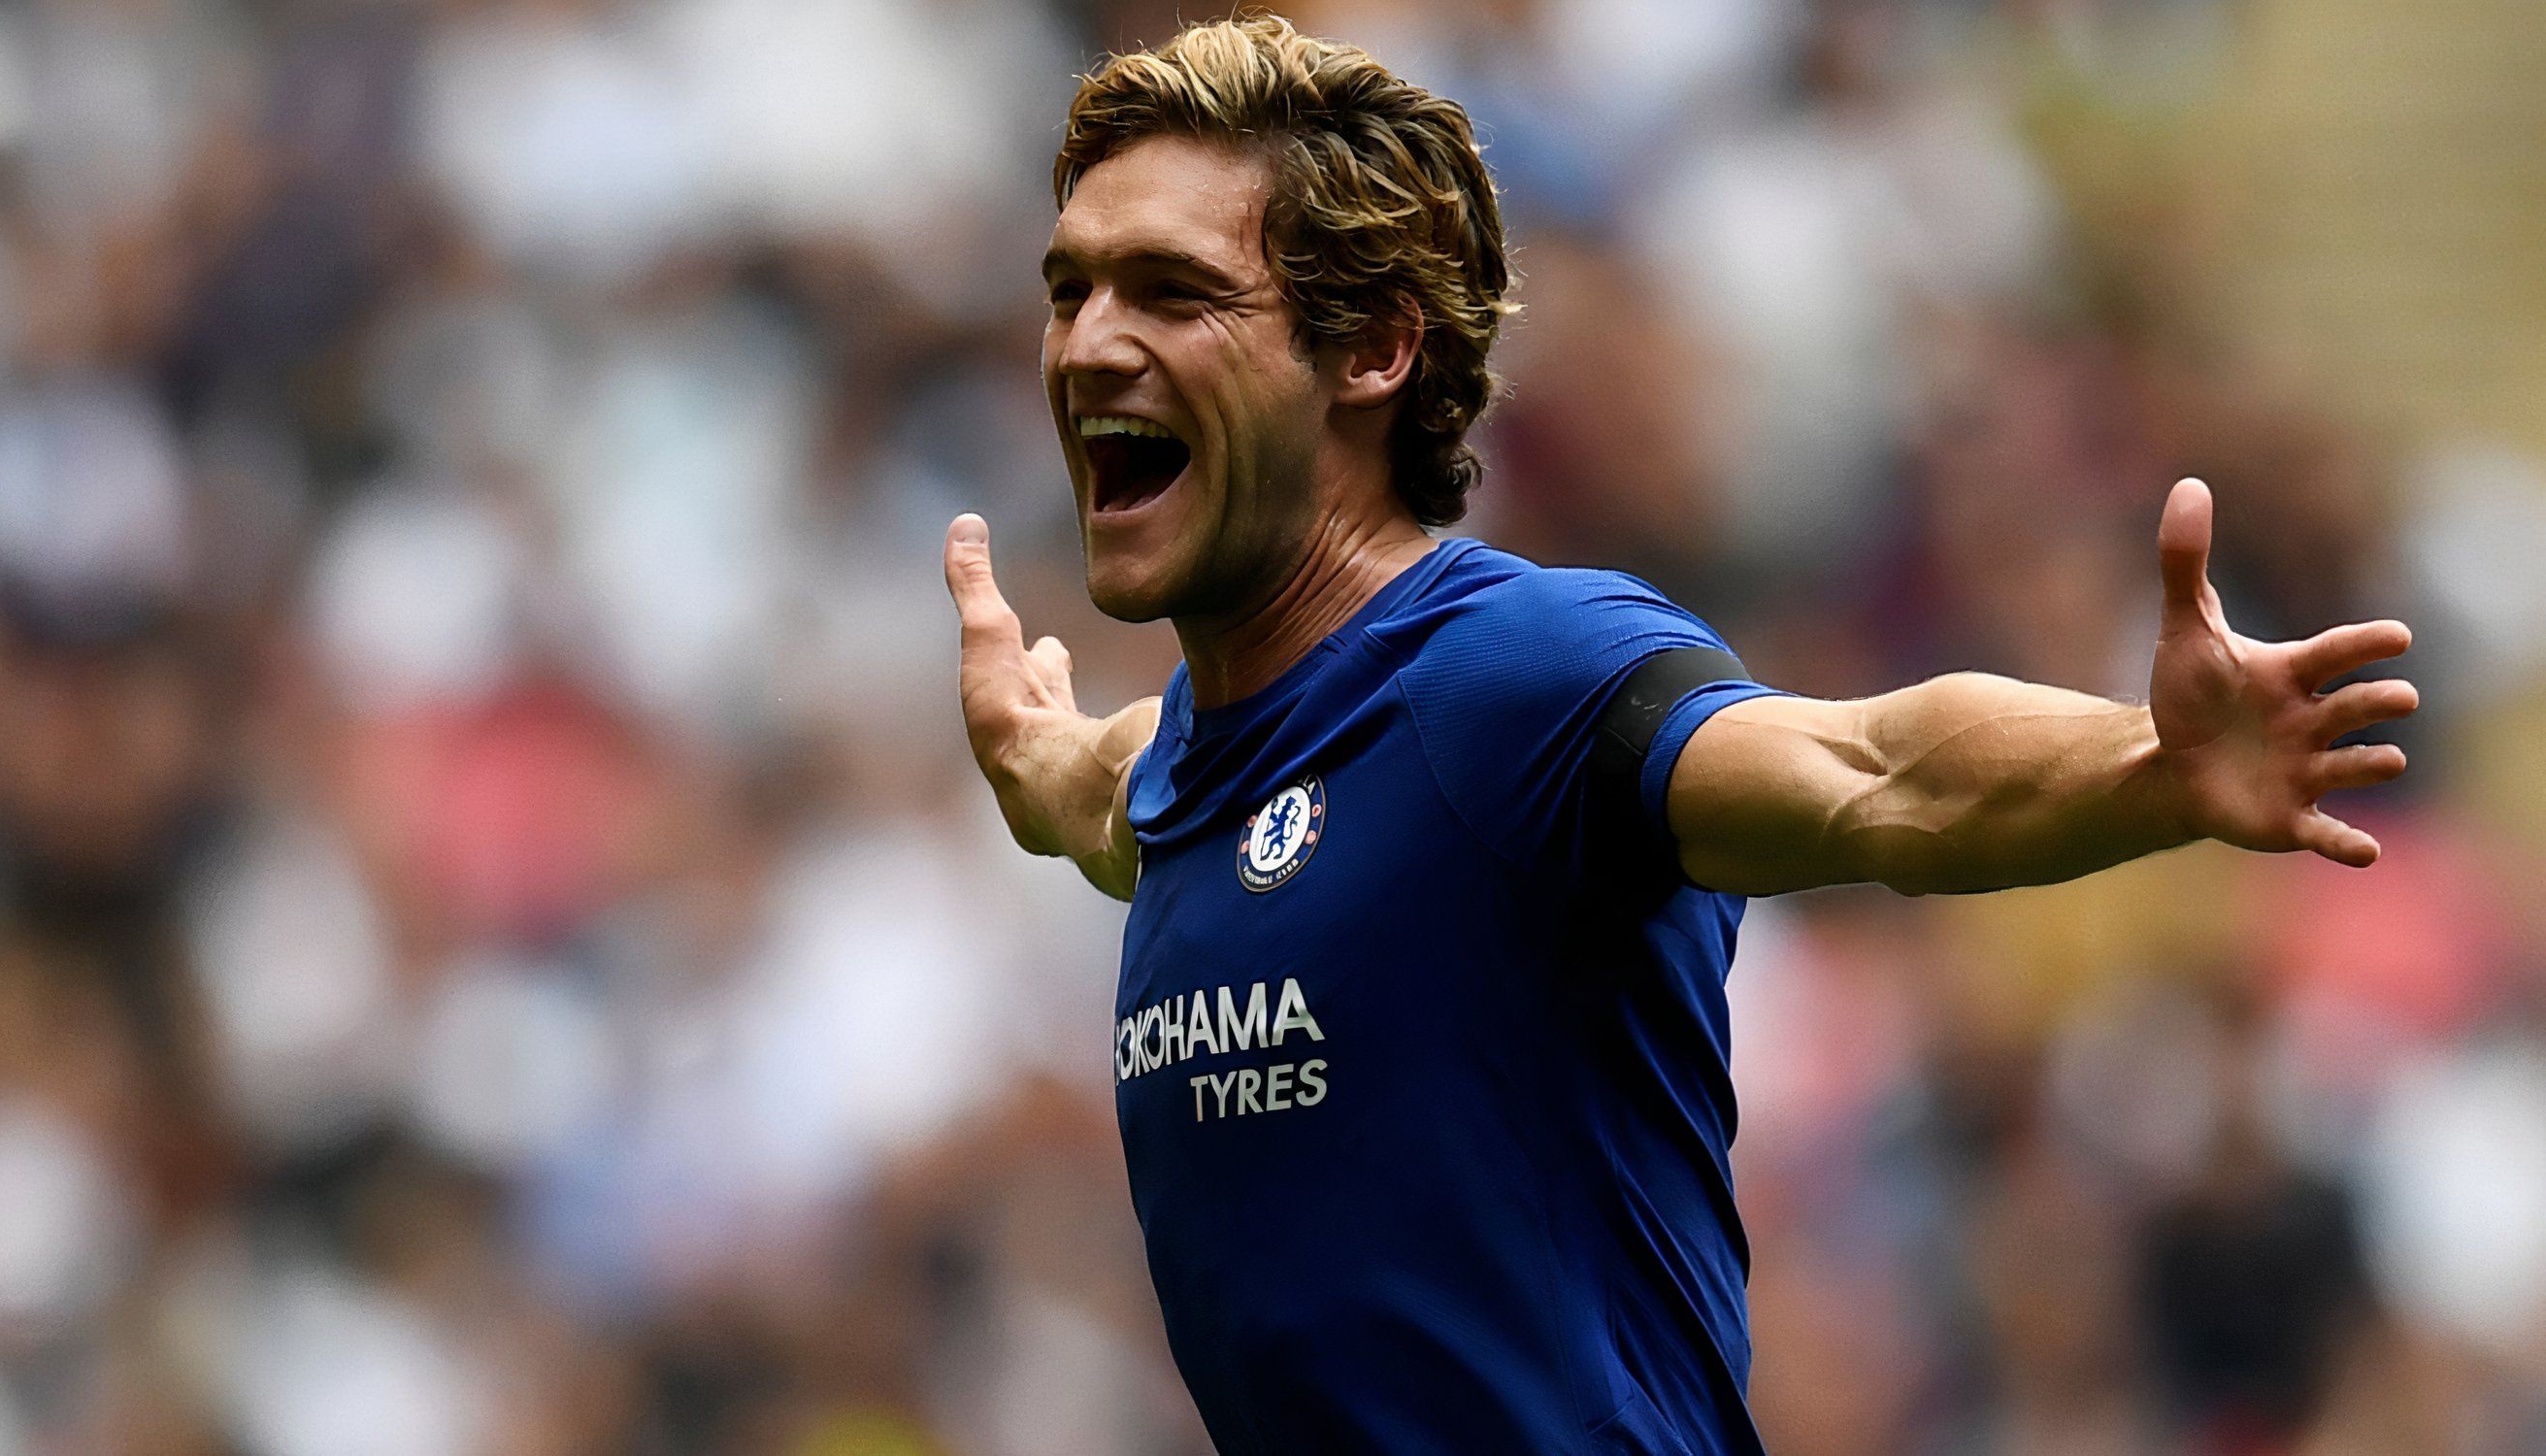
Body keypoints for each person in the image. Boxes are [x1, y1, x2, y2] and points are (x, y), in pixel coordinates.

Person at [942, 17, 2417, 1454]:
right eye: (1070, 291)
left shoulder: (1508, 677)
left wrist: (2146, 769)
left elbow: (1872, 773)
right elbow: (1117, 795)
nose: (1088, 346)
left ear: (1374, 347)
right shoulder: (1183, 769)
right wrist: (1038, 764)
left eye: (1171, 293)